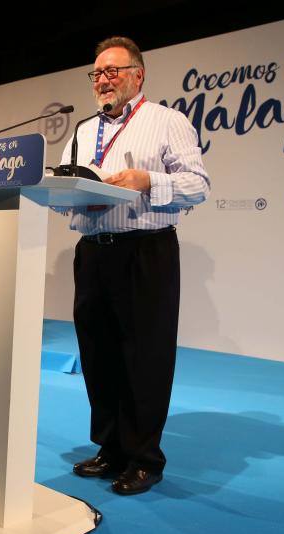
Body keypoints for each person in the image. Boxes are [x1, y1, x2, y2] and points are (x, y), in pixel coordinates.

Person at [63, 37, 210, 495]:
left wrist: (150, 180)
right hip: (93, 252)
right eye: (97, 73)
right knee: (98, 354)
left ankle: (145, 458)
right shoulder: (83, 131)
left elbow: (198, 184)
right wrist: (68, 200)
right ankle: (110, 448)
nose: (103, 80)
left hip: (147, 251)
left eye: (113, 71)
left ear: (138, 74)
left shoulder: (168, 121)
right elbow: (66, 186)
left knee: (144, 357)